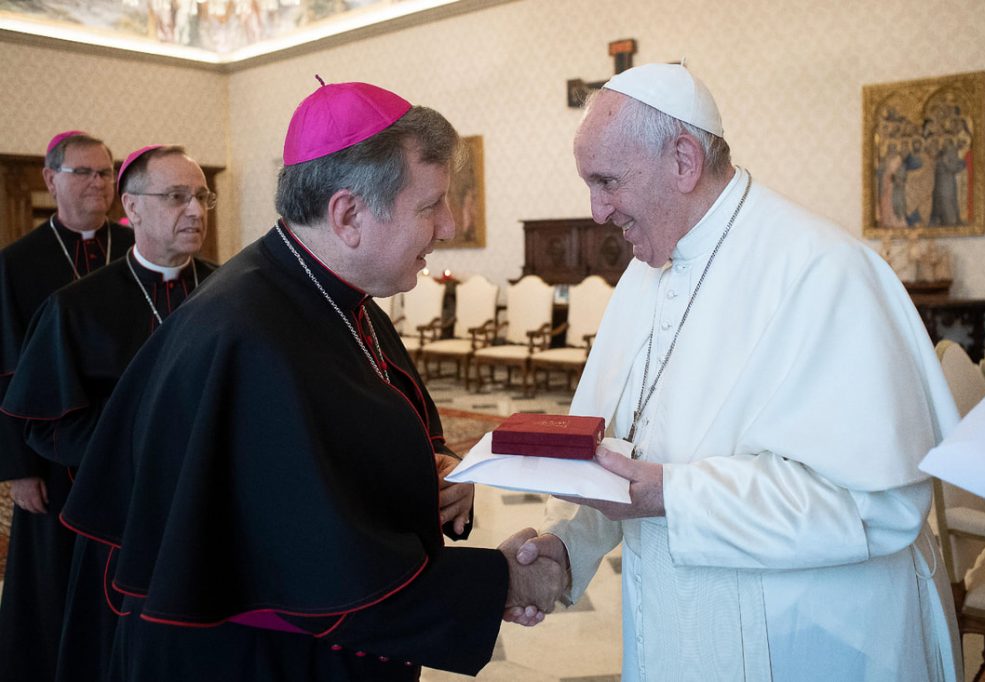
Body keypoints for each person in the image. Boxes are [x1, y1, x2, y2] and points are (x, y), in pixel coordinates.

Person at [59, 80, 564, 681]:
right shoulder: (245, 337)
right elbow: (320, 566)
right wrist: (499, 581)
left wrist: (434, 473)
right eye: (430, 206)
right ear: (348, 214)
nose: (449, 226)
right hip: (254, 663)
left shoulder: (344, 300)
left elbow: (365, 448)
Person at [510, 60, 963, 681]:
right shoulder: (646, 276)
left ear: (683, 160)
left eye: (608, 181)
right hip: (681, 627)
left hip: (809, 637)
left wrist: (674, 492)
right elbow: (626, 459)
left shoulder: (823, 271)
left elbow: (874, 506)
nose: (595, 210)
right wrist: (568, 549)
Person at [1, 144, 219, 682]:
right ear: (134, 207)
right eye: (176, 197)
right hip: (109, 509)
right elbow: (47, 419)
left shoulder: (230, 290)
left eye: (201, 197)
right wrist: (144, 443)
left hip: (205, 502)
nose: (194, 210)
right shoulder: (74, 307)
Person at [0, 130, 134, 682]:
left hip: (126, 444)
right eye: (84, 173)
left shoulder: (137, 252)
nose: (98, 184)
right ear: (51, 179)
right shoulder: (15, 264)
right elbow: (6, 372)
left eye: (106, 173)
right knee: (55, 578)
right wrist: (17, 469)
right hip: (52, 453)